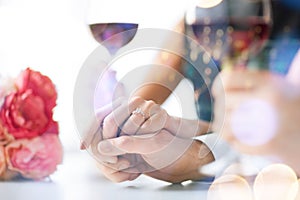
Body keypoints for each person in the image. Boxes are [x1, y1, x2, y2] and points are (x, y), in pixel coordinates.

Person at [81, 0, 300, 183]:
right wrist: (120, 133)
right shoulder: (197, 24)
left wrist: (195, 156)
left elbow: (288, 138)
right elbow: (138, 107)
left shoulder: (285, 19)